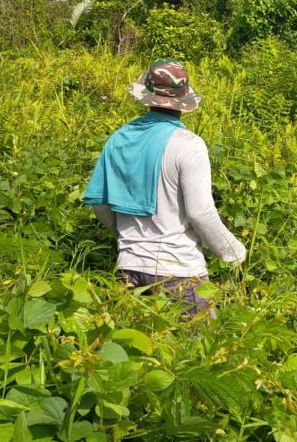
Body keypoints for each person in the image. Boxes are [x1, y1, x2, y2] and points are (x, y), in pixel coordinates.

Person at [83, 58, 246, 318]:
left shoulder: (119, 139)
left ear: (146, 96)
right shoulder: (188, 144)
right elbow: (200, 213)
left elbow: (99, 204)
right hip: (180, 272)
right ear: (183, 101)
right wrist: (234, 253)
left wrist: (124, 236)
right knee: (200, 351)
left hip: (130, 271)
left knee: (138, 352)